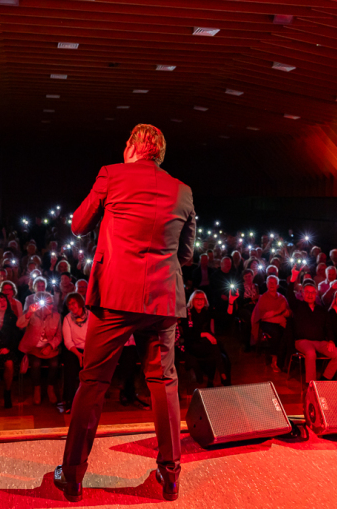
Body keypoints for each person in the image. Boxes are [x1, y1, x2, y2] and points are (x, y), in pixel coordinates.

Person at [56, 124, 195, 503]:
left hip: (116, 296)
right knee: (164, 383)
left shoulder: (111, 175)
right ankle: (170, 476)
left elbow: (78, 224)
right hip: (163, 299)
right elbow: (185, 256)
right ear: (159, 153)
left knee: (94, 382)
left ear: (133, 147)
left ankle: (72, 476)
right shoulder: (183, 190)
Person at [287, 268, 337, 384]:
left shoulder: (321, 310)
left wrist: (331, 340)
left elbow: (328, 327)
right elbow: (289, 295)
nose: (310, 295)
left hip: (320, 342)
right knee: (311, 353)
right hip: (302, 341)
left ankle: (324, 380)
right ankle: (311, 384)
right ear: (302, 294)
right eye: (307, 292)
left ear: (316, 293)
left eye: (312, 292)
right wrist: (293, 277)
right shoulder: (298, 306)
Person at [18, 290, 61, 405]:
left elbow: (59, 336)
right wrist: (28, 314)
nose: (51, 306)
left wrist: (50, 346)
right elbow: (19, 324)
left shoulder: (56, 317)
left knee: (54, 364)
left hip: (49, 348)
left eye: (52, 303)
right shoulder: (32, 315)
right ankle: (37, 389)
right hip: (33, 348)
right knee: (36, 364)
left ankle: (50, 388)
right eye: (48, 304)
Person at [180, 290, 229, 387]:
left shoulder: (206, 311)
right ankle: (223, 375)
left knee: (218, 348)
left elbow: (225, 317)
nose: (199, 301)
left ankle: (217, 377)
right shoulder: (187, 313)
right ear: (192, 301)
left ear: (205, 301)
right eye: (197, 299)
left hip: (204, 344)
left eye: (202, 299)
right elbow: (189, 335)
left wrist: (231, 302)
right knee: (215, 347)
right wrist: (206, 334)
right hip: (192, 344)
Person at [250, 275, 291, 372]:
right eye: (270, 282)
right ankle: (275, 360)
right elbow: (263, 315)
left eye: (274, 283)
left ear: (277, 285)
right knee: (276, 334)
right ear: (267, 285)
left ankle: (284, 362)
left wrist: (285, 312)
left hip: (280, 322)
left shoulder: (282, 298)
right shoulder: (263, 297)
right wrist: (278, 312)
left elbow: (288, 312)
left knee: (287, 334)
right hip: (267, 323)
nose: (272, 284)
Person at [61, 293, 88, 413]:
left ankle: (89, 401)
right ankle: (70, 402)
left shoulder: (91, 316)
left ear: (80, 302)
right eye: (69, 304)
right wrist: (79, 355)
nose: (71, 306)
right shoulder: (67, 318)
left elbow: (94, 336)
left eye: (73, 303)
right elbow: (68, 341)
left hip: (89, 348)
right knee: (70, 370)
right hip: (74, 350)